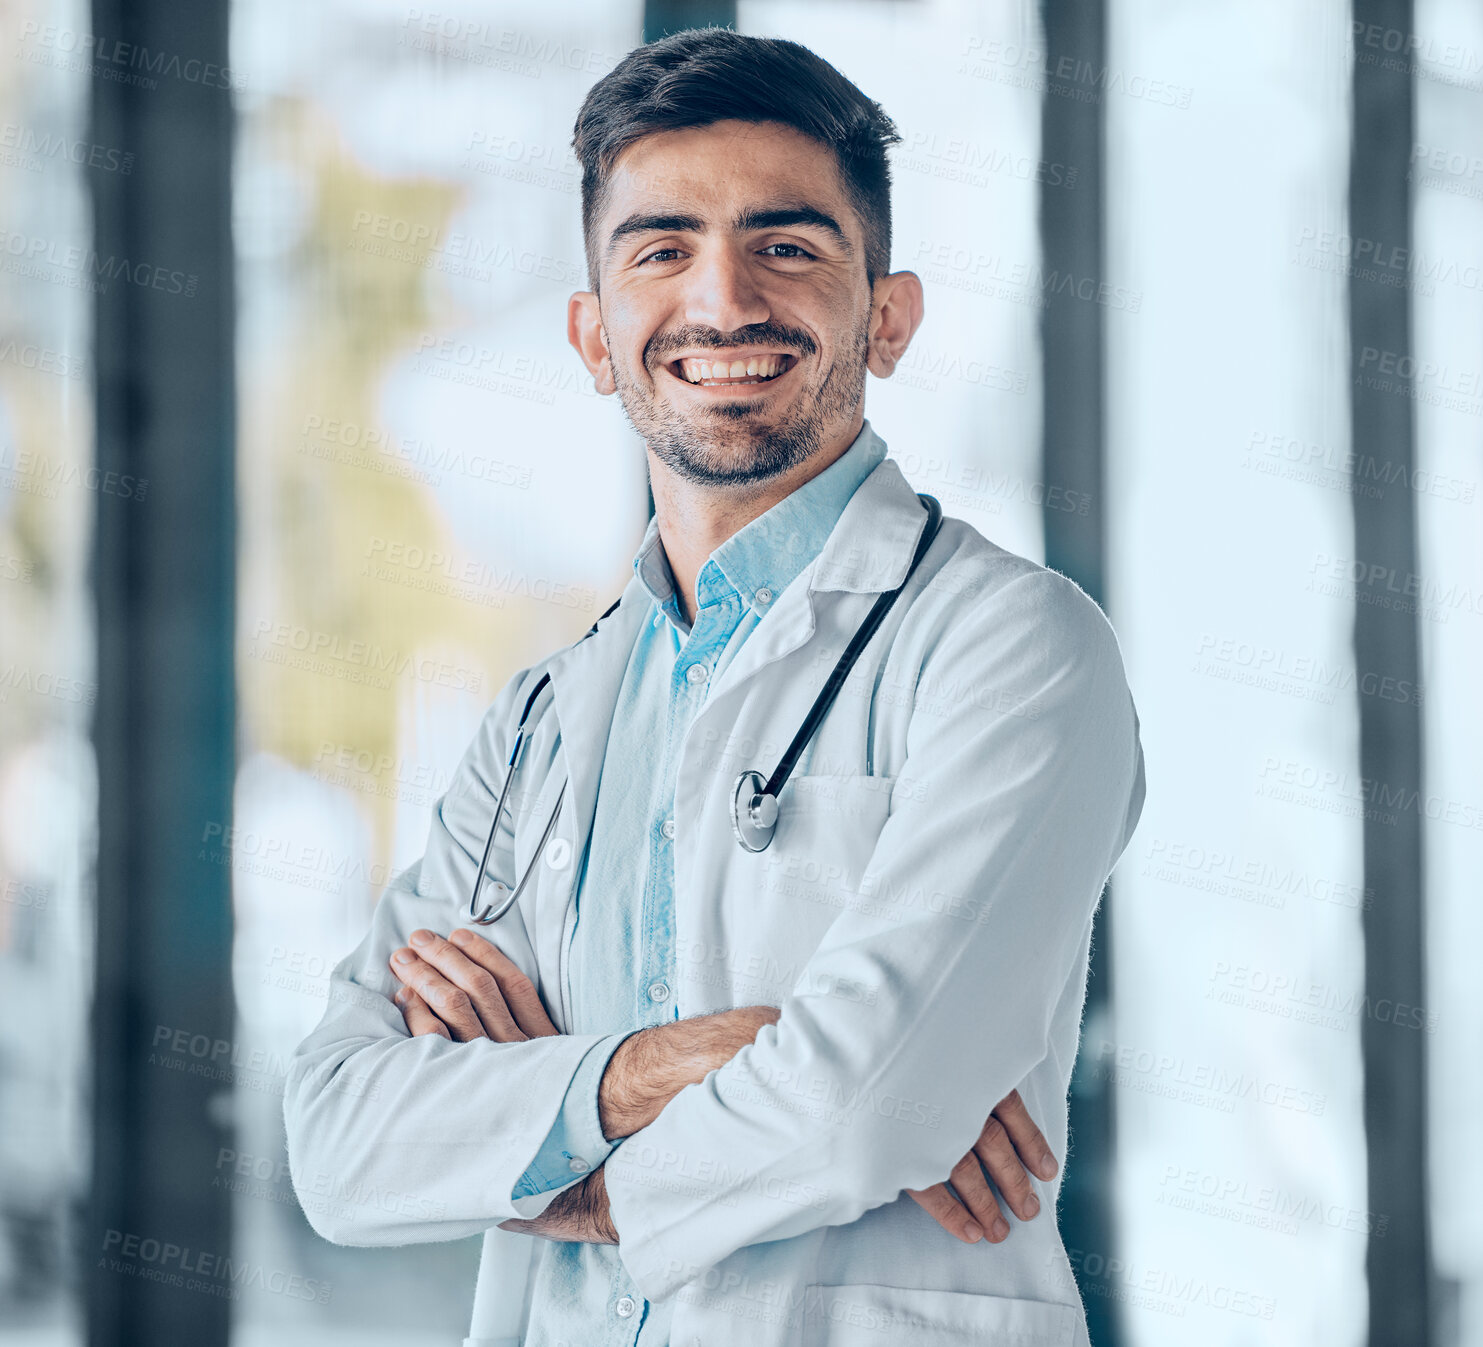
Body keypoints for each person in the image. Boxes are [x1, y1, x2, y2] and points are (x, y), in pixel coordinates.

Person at [284, 27, 1145, 1347]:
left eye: (789, 246)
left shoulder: (1010, 649)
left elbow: (860, 1109)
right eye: (661, 248)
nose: (725, 299)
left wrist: (525, 1144)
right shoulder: (539, 723)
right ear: (593, 332)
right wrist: (653, 1069)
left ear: (891, 316)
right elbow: (341, 1139)